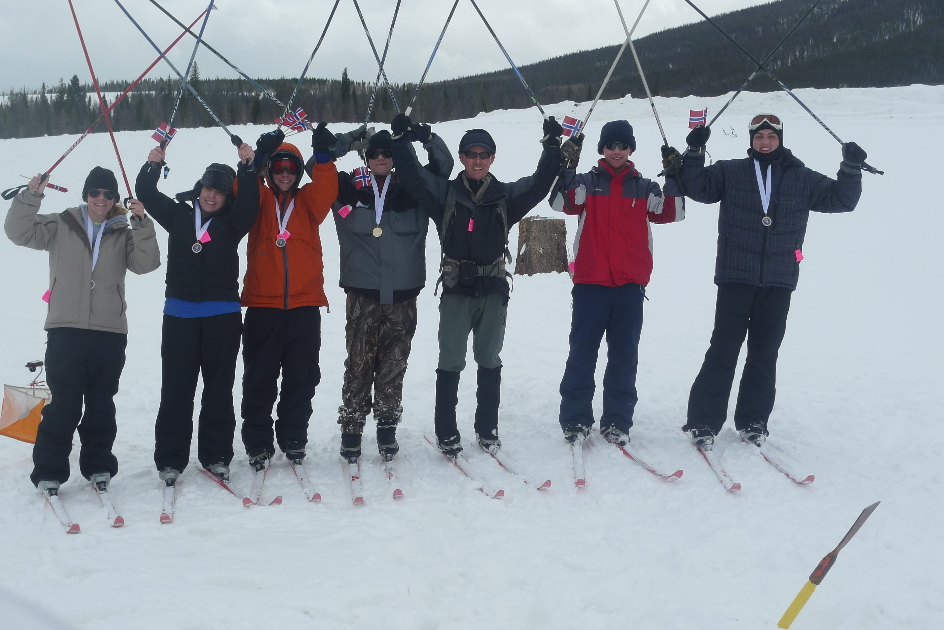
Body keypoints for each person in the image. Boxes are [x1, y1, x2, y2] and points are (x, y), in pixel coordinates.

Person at [675, 114, 865, 449]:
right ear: (751, 140)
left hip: (779, 279)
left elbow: (842, 200)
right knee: (723, 350)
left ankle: (753, 421)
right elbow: (698, 187)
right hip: (736, 275)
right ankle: (703, 421)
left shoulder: (801, 177)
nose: (765, 142)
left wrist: (850, 169)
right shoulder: (730, 171)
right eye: (759, 136)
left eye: (770, 136)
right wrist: (694, 152)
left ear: (780, 139)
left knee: (764, 353)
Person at [390, 112, 564, 455]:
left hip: (493, 290)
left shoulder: (504, 196)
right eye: (472, 154)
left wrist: (552, 146)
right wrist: (400, 141)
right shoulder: (445, 194)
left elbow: (541, 183)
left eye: (485, 154)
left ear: (492, 158)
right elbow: (411, 177)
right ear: (463, 158)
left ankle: (487, 429)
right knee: (451, 360)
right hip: (456, 289)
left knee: (489, 359)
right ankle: (446, 430)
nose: (478, 160)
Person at [4, 167, 160, 493]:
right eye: (95, 193)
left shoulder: (123, 229)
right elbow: (17, 231)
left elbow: (147, 263)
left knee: (101, 404)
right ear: (86, 195)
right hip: (66, 329)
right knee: (64, 404)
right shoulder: (62, 223)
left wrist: (143, 224)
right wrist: (31, 196)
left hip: (109, 331)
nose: (100, 199)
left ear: (115, 198)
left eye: (107, 194)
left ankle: (99, 466)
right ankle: (49, 471)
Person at [549, 120, 685, 446]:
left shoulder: (645, 187)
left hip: (629, 287)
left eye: (623, 146)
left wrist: (676, 175)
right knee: (582, 354)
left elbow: (674, 211)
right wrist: (566, 166)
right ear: (602, 149)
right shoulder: (586, 183)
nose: (617, 151)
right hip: (590, 284)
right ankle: (576, 420)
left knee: (624, 356)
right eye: (611, 145)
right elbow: (559, 203)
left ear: (631, 149)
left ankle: (617, 422)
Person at [135, 141, 259, 483]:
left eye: (220, 192)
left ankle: (216, 455)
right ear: (199, 188)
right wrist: (153, 164)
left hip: (222, 316)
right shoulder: (177, 215)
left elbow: (251, 202)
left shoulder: (233, 223)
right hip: (179, 316)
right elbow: (146, 190)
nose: (212, 196)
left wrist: (248, 168)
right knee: (176, 388)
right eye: (208, 188)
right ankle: (171, 459)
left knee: (218, 388)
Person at [332, 126, 453, 463]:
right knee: (358, 364)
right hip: (363, 294)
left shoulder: (412, 186)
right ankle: (352, 430)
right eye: (375, 153)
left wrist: (423, 138)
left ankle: (387, 427)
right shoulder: (350, 188)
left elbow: (443, 167)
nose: (382, 158)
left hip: (402, 295)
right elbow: (320, 170)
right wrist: (341, 143)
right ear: (366, 158)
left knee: (393, 365)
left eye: (387, 153)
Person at [237, 123, 339, 471]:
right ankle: (258, 441)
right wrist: (257, 158)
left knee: (302, 375)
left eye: (291, 168)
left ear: (298, 172)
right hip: (263, 306)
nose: (284, 174)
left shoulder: (309, 202)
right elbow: (241, 189)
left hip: (305, 305)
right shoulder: (260, 199)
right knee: (259, 377)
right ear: (269, 171)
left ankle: (294, 436)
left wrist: (323, 158)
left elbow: (326, 189)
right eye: (277, 168)